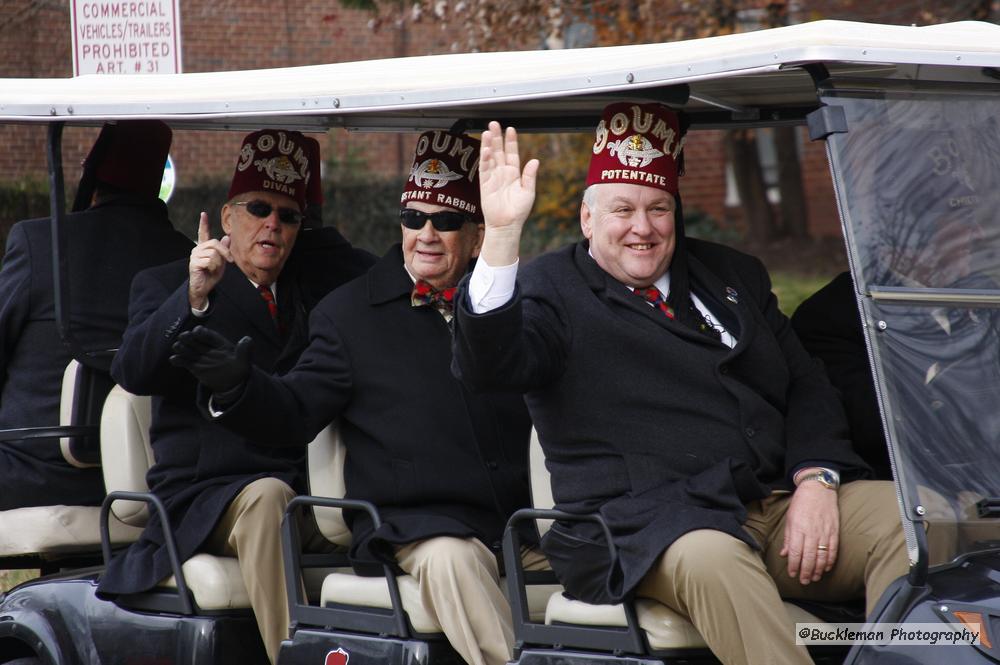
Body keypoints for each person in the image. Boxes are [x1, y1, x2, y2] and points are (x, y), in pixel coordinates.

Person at [450, 104, 909, 665]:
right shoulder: (552, 289)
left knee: (911, 520)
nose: (642, 227)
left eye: (658, 208)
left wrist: (817, 478)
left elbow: (806, 385)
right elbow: (489, 367)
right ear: (587, 220)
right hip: (642, 524)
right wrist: (500, 237)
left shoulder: (732, 274)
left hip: (768, 504)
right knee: (715, 560)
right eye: (622, 209)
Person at [168, 130, 538, 665]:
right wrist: (237, 386)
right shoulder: (350, 316)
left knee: (612, 560)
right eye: (413, 218)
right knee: (452, 562)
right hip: (421, 526)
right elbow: (294, 411)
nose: (426, 234)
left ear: (478, 238)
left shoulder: (508, 304)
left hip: (518, 523)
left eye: (446, 220)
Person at [96, 128, 375, 665]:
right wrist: (194, 294)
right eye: (257, 208)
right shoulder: (169, 285)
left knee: (397, 512)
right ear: (227, 219)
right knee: (268, 496)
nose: (272, 223)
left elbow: (371, 272)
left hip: (305, 490)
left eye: (288, 215)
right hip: (207, 495)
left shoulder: (309, 289)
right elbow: (133, 369)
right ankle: (290, 656)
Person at [0, 120, 192, 510]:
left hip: (29, 472)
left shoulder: (36, 243)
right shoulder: (187, 260)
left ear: (94, 174)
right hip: (142, 482)